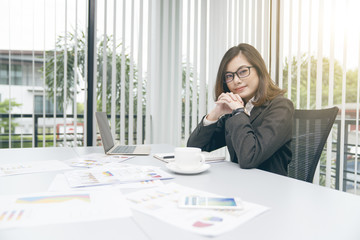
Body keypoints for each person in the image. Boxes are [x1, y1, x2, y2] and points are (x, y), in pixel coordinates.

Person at [187, 43, 294, 176]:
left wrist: (238, 112)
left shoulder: (281, 107)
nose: (236, 80)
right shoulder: (236, 110)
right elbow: (194, 148)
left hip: (268, 189)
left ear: (259, 71)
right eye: (229, 76)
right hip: (239, 184)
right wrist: (215, 113)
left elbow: (249, 158)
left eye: (243, 72)